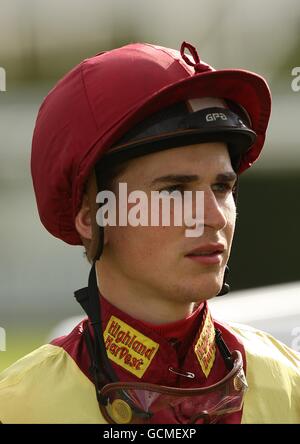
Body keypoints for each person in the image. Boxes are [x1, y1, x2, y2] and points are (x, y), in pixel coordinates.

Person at [0, 41, 299, 424]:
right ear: (90, 215)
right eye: (174, 191)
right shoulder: (19, 409)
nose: (211, 216)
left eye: (222, 187)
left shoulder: (291, 387)